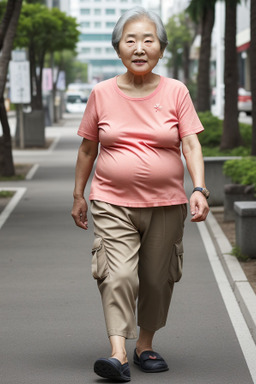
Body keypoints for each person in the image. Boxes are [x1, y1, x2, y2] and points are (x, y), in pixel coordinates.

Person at [71, 6, 209, 382]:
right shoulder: (101, 93)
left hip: (166, 203)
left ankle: (144, 345)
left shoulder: (176, 91)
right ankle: (117, 354)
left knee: (155, 278)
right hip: (112, 200)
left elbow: (191, 144)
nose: (139, 47)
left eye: (149, 40)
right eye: (130, 40)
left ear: (161, 49)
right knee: (118, 276)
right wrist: (78, 194)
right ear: (118, 48)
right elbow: (88, 149)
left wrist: (198, 187)